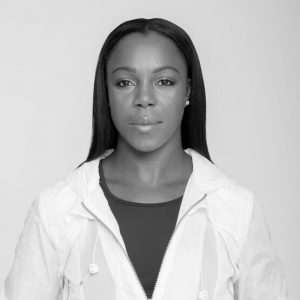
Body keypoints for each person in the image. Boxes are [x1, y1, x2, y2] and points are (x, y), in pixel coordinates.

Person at [1, 18, 289, 300]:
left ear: (187, 91)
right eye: (125, 82)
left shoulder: (236, 209)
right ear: (107, 92)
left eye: (164, 81)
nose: (144, 98)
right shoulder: (57, 210)